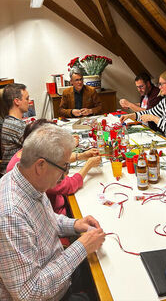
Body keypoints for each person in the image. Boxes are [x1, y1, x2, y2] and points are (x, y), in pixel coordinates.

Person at [0, 124, 106, 300]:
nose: (65, 174)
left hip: (57, 271)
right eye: (64, 167)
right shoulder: (10, 215)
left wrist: (75, 224)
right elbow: (29, 293)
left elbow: (44, 220)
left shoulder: (27, 180)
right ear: (40, 166)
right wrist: (82, 247)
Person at [6, 119, 101, 216]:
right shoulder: (37, 173)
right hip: (58, 212)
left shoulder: (27, 153)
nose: (63, 175)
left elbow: (54, 158)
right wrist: (88, 165)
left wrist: (80, 156)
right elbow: (69, 185)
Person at [121, 70, 166, 141]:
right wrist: (130, 116)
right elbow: (150, 112)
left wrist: (153, 118)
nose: (159, 87)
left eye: (161, 84)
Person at [0, 83, 29, 175]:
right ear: (17, 101)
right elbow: (38, 148)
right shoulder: (17, 126)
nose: (29, 101)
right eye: (27, 98)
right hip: (14, 174)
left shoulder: (9, 120)